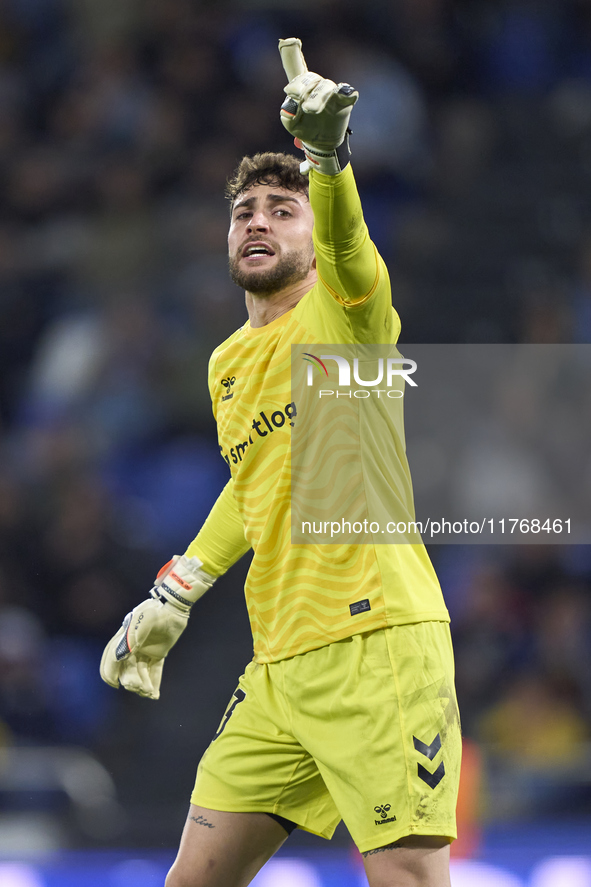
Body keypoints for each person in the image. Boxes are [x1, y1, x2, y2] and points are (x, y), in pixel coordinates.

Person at [100, 38, 461, 887]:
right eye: (243, 210)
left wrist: (326, 161)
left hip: (376, 646)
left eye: (280, 208)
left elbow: (345, 244)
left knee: (406, 874)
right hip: (277, 665)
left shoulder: (349, 314)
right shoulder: (228, 360)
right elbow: (252, 480)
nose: (257, 219)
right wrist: (176, 588)